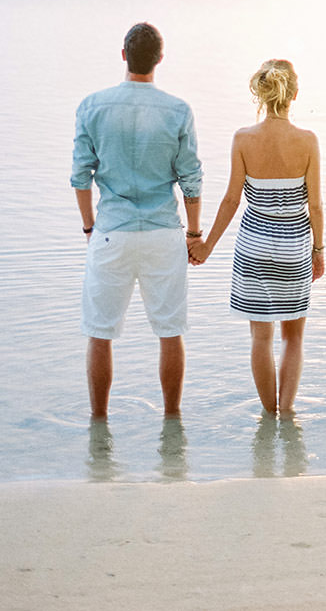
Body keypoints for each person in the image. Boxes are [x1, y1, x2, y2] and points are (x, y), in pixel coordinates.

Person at [71, 22, 202, 419]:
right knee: (170, 333)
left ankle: (99, 424)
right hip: (163, 233)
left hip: (112, 231)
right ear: (160, 59)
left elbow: (80, 177)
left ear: (124, 55)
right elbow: (191, 180)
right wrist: (194, 233)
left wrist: (90, 227)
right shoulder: (178, 111)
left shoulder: (92, 106)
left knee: (100, 334)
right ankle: (172, 421)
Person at [188, 59, 324, 414]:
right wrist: (318, 250)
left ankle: (268, 415)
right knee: (293, 337)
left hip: (254, 249)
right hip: (294, 249)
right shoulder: (308, 141)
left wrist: (206, 245)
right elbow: (315, 205)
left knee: (261, 338)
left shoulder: (243, 139)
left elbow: (232, 200)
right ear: (294, 94)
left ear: (261, 96)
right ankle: (288, 415)